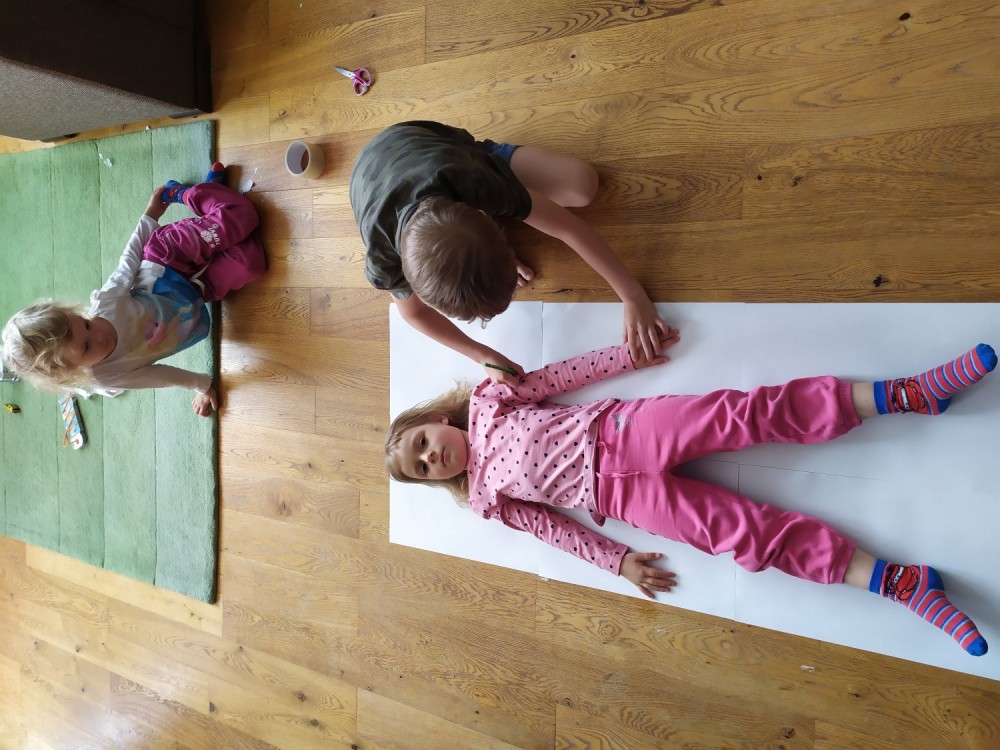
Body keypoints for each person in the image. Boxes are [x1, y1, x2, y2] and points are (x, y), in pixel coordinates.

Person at [385, 332, 996, 656]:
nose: (431, 456)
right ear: (438, 482)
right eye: (424, 469)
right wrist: (617, 561)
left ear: (436, 419)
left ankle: (907, 394)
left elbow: (561, 377)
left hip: (623, 431)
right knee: (743, 537)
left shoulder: (490, 401)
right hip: (622, 502)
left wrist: (628, 352)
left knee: (747, 414)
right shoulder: (489, 498)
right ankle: (898, 584)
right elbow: (554, 530)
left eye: (422, 443)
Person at [350, 120, 667, 385]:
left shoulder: (475, 180)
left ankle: (496, 159)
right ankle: (483, 237)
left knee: (582, 186)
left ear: (487, 217)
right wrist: (483, 356)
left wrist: (632, 294)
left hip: (433, 147)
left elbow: (569, 228)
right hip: (375, 179)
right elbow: (413, 314)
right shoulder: (382, 260)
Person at [1, 164, 266, 417]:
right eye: (86, 347)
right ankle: (213, 201)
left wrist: (151, 214)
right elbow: (162, 376)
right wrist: (203, 386)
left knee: (241, 217)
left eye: (86, 324)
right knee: (252, 262)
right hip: (193, 293)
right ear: (71, 370)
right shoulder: (108, 377)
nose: (98, 336)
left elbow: (129, 259)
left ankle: (188, 194)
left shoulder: (107, 303)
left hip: (168, 256)